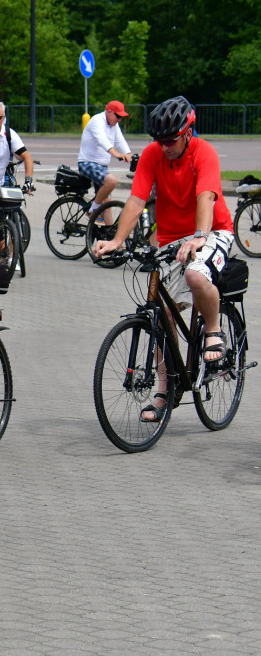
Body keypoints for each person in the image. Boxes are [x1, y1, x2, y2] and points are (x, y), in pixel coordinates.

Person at [91, 96, 235, 423]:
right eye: (160, 140)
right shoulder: (154, 155)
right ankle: (164, 390)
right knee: (160, 315)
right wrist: (116, 240)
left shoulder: (204, 152)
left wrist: (200, 235)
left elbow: (206, 196)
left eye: (171, 140)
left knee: (197, 277)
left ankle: (213, 330)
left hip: (213, 230)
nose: (165, 146)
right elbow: (137, 199)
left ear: (187, 132)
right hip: (171, 239)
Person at [78, 100, 133, 223]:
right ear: (109, 111)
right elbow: (102, 140)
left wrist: (129, 155)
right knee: (111, 181)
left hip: (101, 166)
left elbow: (120, 141)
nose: (119, 120)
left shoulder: (113, 125)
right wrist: (117, 154)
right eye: (118, 116)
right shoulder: (97, 121)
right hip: (87, 163)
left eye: (121, 117)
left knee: (107, 203)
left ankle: (112, 240)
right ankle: (92, 211)